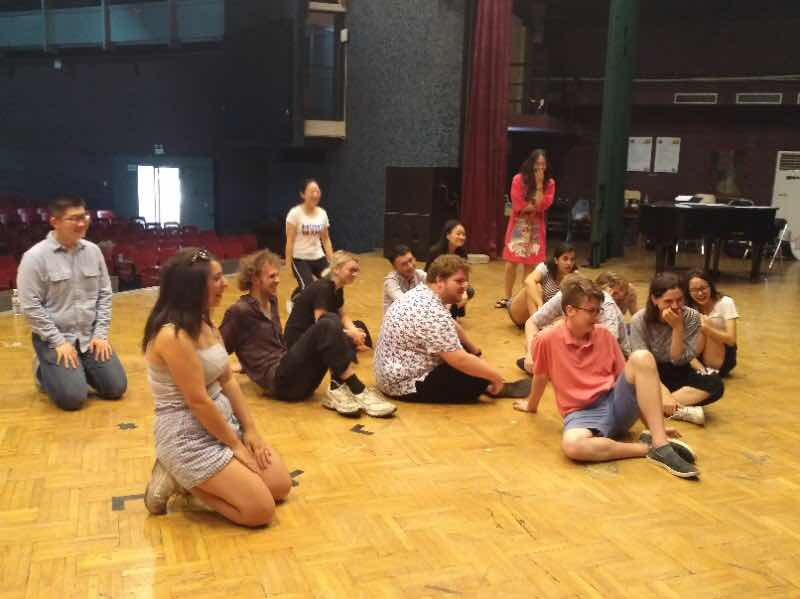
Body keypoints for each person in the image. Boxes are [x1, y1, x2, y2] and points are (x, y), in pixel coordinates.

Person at [142, 248, 292, 526]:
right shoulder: (172, 335)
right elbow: (198, 401)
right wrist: (236, 446)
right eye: (217, 279)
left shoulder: (205, 321)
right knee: (260, 511)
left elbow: (227, 379)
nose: (225, 284)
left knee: (280, 486)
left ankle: (191, 479)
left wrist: (250, 431)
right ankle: (182, 481)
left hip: (221, 424)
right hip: (187, 437)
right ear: (193, 287)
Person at [513, 277, 699, 479]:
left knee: (642, 357)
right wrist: (531, 405)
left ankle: (660, 443)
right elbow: (540, 376)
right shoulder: (546, 340)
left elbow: (630, 383)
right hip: (581, 415)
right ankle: (648, 449)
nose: (596, 317)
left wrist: (655, 428)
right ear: (570, 310)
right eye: (591, 311)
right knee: (572, 446)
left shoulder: (604, 335)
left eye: (598, 311)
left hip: (616, 406)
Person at [220, 249, 395, 417]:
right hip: (280, 383)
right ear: (255, 279)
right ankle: (357, 389)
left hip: (300, 380)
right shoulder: (239, 311)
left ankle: (337, 388)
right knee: (328, 322)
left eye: (277, 275)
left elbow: (267, 344)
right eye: (272, 276)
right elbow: (219, 350)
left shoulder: (271, 301)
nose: (278, 280)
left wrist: (245, 366)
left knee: (333, 322)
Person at [17, 194, 127, 411]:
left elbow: (105, 294)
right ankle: (43, 370)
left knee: (116, 388)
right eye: (73, 218)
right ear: (55, 222)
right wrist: (58, 342)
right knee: (72, 399)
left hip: (88, 336)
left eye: (84, 216)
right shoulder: (34, 257)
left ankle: (76, 369)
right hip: (54, 339)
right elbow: (30, 306)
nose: (81, 223)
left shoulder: (93, 251)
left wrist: (100, 335)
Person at [376, 255, 507, 403]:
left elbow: (452, 326)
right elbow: (459, 359)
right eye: (459, 281)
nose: (464, 286)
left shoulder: (422, 293)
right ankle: (489, 386)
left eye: (465, 281)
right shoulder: (432, 312)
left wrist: (475, 352)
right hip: (402, 385)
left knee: (469, 358)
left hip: (389, 374)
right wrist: (495, 377)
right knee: (478, 377)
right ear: (439, 280)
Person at [629, 272, 724, 426]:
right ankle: (677, 409)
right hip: (650, 372)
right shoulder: (639, 320)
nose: (675, 306)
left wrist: (677, 328)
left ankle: (657, 407)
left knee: (715, 383)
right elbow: (642, 364)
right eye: (668, 301)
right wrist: (664, 393)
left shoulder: (691, 316)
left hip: (677, 370)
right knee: (631, 383)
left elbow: (678, 359)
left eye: (679, 300)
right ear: (654, 299)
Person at [517, 272, 629, 374]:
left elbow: (609, 347)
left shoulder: (605, 305)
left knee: (558, 328)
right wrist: (530, 353)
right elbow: (532, 322)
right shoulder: (564, 295)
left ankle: (549, 366)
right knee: (544, 336)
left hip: (613, 355)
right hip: (580, 349)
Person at [497, 149, 556, 309]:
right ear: (531, 163)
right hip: (519, 225)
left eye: (543, 164)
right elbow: (518, 205)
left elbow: (544, 205)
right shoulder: (518, 179)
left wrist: (539, 186)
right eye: (537, 164)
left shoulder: (549, 183)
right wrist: (533, 206)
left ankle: (521, 300)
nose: (540, 168)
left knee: (529, 264)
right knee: (511, 262)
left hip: (536, 227)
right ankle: (507, 298)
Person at [283, 250, 371, 351]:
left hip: (318, 329)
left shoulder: (338, 287)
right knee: (340, 338)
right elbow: (321, 325)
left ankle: (355, 344)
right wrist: (349, 334)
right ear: (336, 270)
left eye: (356, 271)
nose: (355, 274)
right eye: (351, 270)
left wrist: (354, 330)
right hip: (299, 337)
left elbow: (342, 315)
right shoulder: (323, 288)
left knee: (359, 326)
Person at [285, 178, 334, 301]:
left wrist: (332, 261)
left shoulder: (322, 213)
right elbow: (290, 241)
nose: (315, 195)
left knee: (332, 283)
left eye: (317, 191)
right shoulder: (294, 214)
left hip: (318, 257)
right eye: (312, 192)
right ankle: (295, 299)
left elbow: (326, 239)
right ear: (303, 194)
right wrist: (288, 265)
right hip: (300, 259)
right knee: (308, 288)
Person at [508, 242, 577, 327]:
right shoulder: (545, 267)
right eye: (565, 259)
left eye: (572, 259)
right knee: (536, 286)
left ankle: (537, 323)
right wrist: (540, 304)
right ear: (556, 260)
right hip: (519, 311)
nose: (569, 263)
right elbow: (528, 281)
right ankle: (535, 323)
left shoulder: (575, 276)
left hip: (546, 317)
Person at [684, 269, 738, 377]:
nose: (700, 293)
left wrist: (708, 329)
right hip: (696, 353)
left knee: (705, 322)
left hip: (721, 354)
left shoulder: (725, 302)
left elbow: (731, 340)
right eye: (694, 290)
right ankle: (701, 369)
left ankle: (709, 369)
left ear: (711, 287)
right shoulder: (688, 306)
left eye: (703, 288)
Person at [425, 220, 474, 318]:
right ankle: (445, 313)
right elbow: (428, 276)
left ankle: (450, 312)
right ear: (447, 235)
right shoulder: (435, 252)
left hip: (452, 284)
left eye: (463, 234)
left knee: (469, 291)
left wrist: (464, 288)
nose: (462, 237)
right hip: (437, 285)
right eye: (458, 234)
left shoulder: (462, 253)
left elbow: (465, 277)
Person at [383, 244, 426, 314]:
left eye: (411, 260)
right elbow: (404, 303)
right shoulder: (390, 281)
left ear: (415, 258)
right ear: (395, 267)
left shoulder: (420, 274)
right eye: (404, 264)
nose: (410, 266)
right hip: (396, 319)